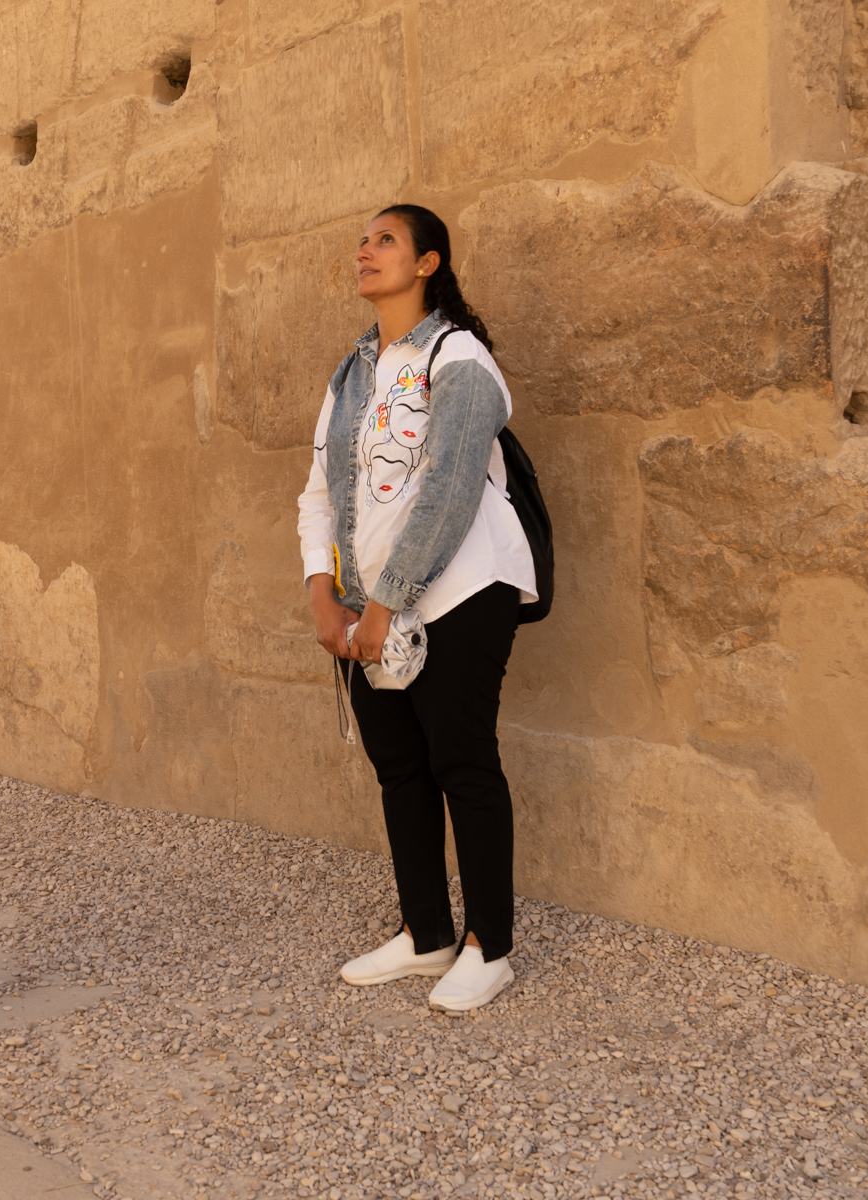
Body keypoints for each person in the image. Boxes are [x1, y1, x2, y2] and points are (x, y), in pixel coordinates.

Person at [297, 204, 538, 1012]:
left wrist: (383, 606)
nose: (364, 251)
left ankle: (490, 946)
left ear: (427, 263)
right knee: (400, 767)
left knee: (462, 762)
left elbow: (450, 491)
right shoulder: (352, 373)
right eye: (362, 242)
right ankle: (426, 932)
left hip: (464, 590)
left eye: (385, 240)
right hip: (367, 604)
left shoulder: (459, 357)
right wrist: (323, 592)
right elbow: (320, 491)